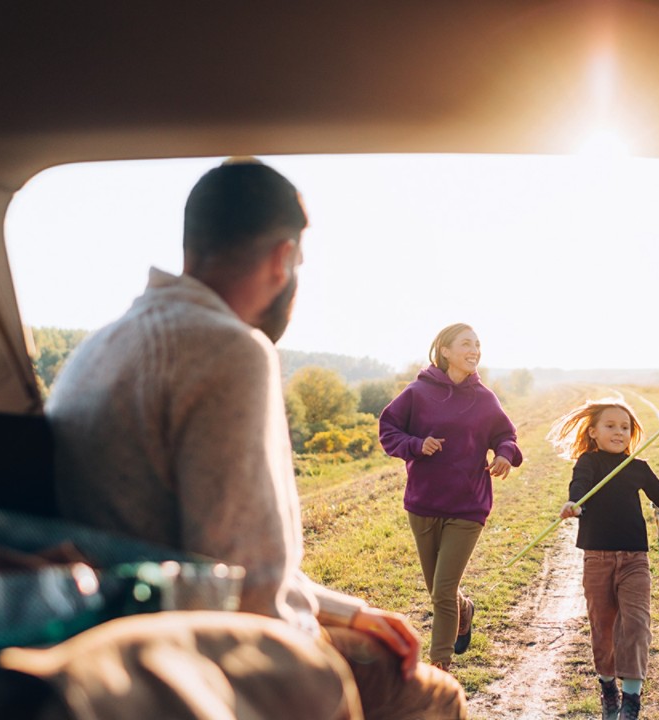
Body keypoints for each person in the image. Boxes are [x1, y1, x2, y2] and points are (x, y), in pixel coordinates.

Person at [47, 158, 466, 719]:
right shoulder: (230, 349)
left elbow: (216, 558)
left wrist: (347, 610)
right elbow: (250, 596)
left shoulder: (102, 344)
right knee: (436, 696)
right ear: (282, 258)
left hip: (120, 623)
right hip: (185, 656)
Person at [550, 399, 659, 720]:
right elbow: (579, 486)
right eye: (610, 426)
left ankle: (631, 701)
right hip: (597, 558)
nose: (618, 432)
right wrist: (574, 503)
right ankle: (608, 688)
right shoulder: (588, 463)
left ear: (632, 433)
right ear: (594, 432)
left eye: (625, 427)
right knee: (603, 627)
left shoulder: (637, 469)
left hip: (635, 561)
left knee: (637, 625)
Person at [378, 323, 523, 671]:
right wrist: (415, 445)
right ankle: (464, 610)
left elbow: (506, 435)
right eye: (466, 344)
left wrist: (504, 454)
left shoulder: (484, 398)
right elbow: (388, 429)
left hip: (468, 506)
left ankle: (438, 666)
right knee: (440, 591)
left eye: (477, 344)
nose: (474, 350)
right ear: (444, 350)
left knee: (442, 591)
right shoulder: (417, 392)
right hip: (423, 504)